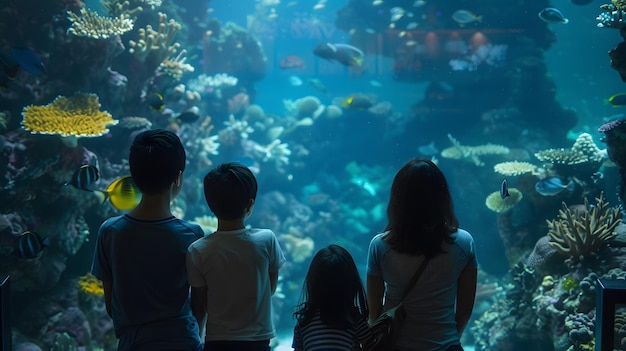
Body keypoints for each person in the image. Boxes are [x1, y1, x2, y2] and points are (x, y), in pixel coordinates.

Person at [91, 129, 204, 351]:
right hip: (184, 343)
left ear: (133, 175)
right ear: (178, 177)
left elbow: (111, 304)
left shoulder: (110, 231)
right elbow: (200, 305)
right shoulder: (192, 235)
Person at [367, 158, 478, 351]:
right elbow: (465, 310)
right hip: (446, 345)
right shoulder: (463, 243)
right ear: (442, 196)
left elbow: (374, 311)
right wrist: (450, 339)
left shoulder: (380, 246)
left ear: (398, 199)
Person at [186, 162, 286, 351]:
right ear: (250, 204)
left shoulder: (198, 250)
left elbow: (200, 306)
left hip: (217, 341)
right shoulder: (266, 240)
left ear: (210, 204)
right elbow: (270, 288)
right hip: (258, 341)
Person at [292, 244, 371, 351]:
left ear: (313, 283)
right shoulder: (355, 321)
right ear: (351, 284)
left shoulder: (303, 322)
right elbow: (372, 344)